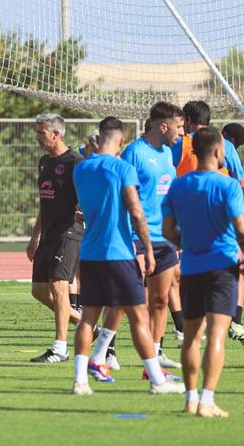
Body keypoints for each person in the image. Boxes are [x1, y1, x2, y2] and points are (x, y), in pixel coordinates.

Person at [70, 116, 184, 396]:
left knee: (88, 319)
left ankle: (80, 381)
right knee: (138, 316)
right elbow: (135, 211)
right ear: (121, 141)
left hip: (90, 252)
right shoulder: (122, 168)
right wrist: (146, 248)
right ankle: (157, 381)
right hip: (119, 252)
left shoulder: (81, 169)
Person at [162, 127, 244, 418]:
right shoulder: (227, 186)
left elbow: (167, 230)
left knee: (191, 337)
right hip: (222, 267)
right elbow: (241, 228)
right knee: (216, 335)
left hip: (191, 267)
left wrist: (186, 244)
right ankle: (207, 401)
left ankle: (190, 398)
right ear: (217, 152)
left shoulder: (179, 185)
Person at [176, 100, 244, 348]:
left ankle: (181, 327)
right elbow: (242, 183)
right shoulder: (225, 148)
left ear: (188, 120)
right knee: (235, 266)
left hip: (187, 218)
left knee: (178, 276)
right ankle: (235, 321)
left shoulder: (179, 144)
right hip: (221, 219)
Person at [27, 113, 83, 363]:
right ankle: (86, 324)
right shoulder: (43, 163)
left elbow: (89, 195)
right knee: (39, 291)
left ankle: (60, 347)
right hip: (48, 234)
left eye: (41, 133)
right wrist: (35, 236)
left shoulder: (76, 162)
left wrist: (86, 208)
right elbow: (44, 203)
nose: (37, 137)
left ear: (56, 134)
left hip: (69, 232)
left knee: (59, 285)